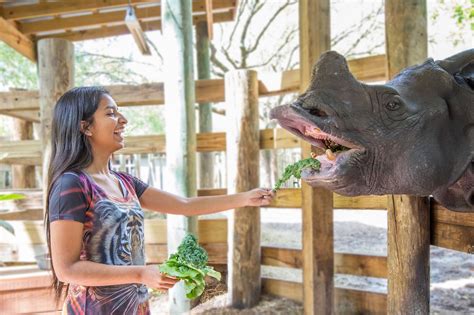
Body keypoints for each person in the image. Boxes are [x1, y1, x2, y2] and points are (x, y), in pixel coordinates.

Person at [46, 86, 275, 315]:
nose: (123, 120)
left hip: (137, 307)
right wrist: (141, 273)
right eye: (111, 113)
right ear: (85, 127)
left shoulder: (124, 182)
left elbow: (185, 205)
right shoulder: (72, 184)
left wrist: (245, 198)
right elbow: (67, 269)